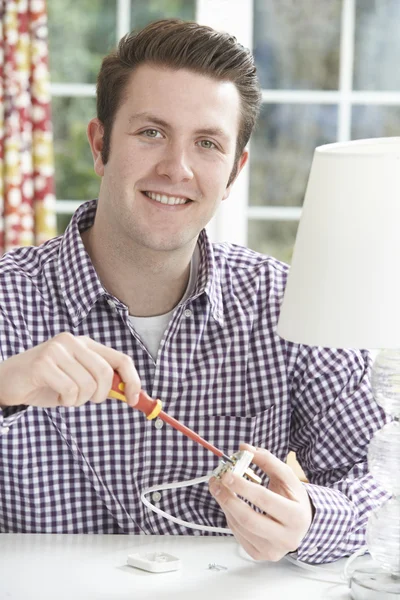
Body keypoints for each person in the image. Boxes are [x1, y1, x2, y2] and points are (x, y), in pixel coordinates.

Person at [0, 18, 387, 564]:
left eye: (207, 143)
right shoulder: (6, 301)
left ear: (233, 174)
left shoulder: (285, 303)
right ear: (100, 145)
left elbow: (379, 481)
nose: (176, 168)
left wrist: (310, 524)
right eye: (151, 132)